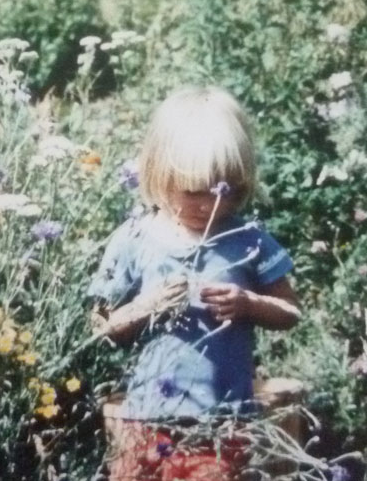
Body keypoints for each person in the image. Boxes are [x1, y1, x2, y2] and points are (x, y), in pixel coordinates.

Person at [88, 87, 300, 481]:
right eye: (194, 192)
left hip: (219, 421)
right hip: (144, 417)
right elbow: (99, 327)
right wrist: (144, 307)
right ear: (159, 173)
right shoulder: (135, 238)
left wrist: (249, 304)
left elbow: (290, 311)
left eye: (228, 191)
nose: (212, 204)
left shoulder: (248, 238)